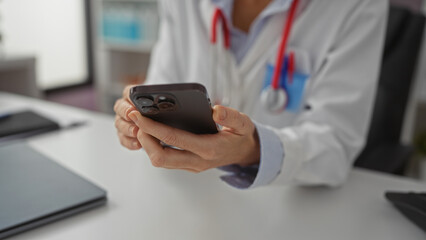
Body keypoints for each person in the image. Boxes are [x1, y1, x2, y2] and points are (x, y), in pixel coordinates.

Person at [114, 0, 388, 189]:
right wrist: (139, 123)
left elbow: (336, 142)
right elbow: (162, 86)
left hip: (292, 207)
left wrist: (253, 150)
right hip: (193, 197)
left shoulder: (357, 5)